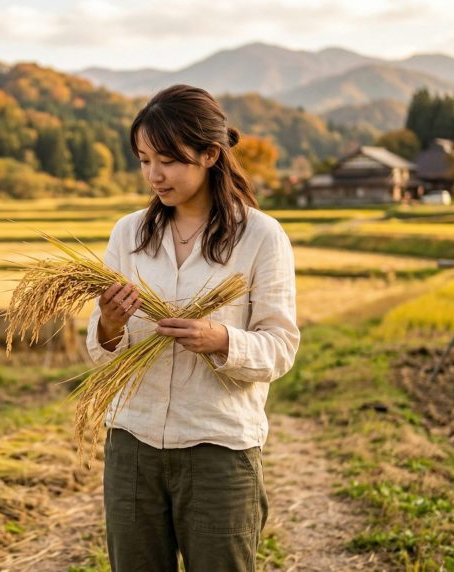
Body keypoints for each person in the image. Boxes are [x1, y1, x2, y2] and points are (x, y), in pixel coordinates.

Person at [86, 84, 300, 572]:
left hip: (218, 448)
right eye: (144, 161)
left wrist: (220, 340)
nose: (154, 175)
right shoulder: (128, 234)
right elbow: (100, 354)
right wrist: (109, 324)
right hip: (132, 443)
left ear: (210, 154)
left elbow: (281, 347)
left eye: (168, 160)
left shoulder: (260, 236)